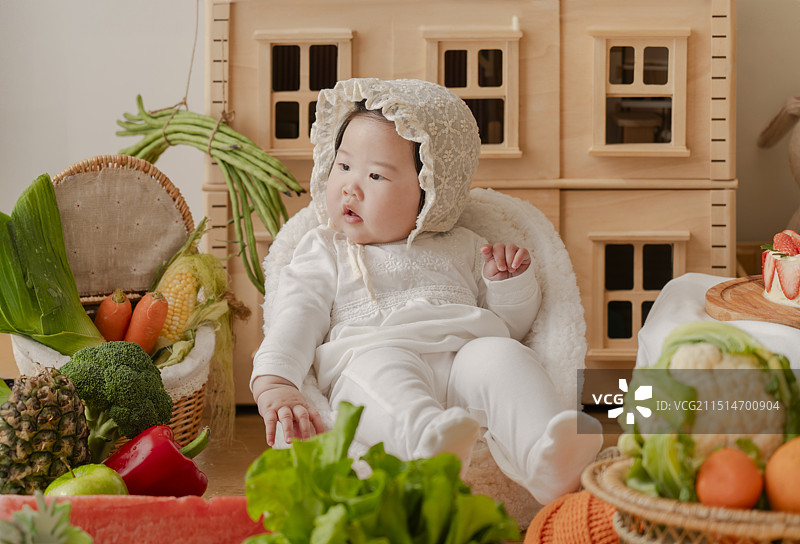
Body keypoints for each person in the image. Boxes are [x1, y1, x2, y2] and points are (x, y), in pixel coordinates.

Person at [251, 78, 602, 504]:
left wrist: (509, 283)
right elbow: (295, 315)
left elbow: (513, 327)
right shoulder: (326, 249)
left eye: (375, 175)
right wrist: (276, 381)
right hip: (374, 352)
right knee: (380, 374)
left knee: (504, 356)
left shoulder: (466, 244)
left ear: (431, 192)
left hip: (464, 357)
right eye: (343, 166)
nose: (350, 187)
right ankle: (427, 442)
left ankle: (544, 452)